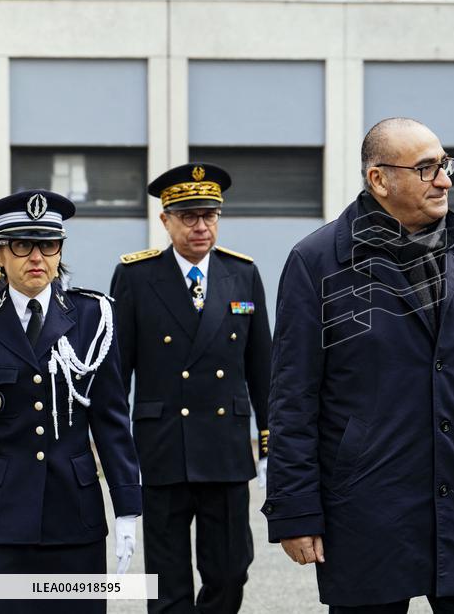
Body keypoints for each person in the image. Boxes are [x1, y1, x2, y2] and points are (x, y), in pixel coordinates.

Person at [263, 117, 454, 613]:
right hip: (368, 505)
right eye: (427, 168)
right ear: (379, 179)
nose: (445, 180)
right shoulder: (318, 261)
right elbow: (292, 397)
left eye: (445, 165)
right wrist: (294, 509)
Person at [110, 163, 272, 613]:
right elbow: (117, 374)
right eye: (188, 216)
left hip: (225, 450)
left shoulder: (242, 273)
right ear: (165, 220)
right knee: (167, 580)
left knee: (231, 571)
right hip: (164, 447)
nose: (201, 226)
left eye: (209, 215)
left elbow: (263, 369)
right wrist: (117, 451)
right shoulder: (136, 277)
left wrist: (270, 442)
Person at [0, 190, 141, 614]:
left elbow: (111, 420)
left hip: (75, 518)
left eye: (48, 245)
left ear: (59, 251)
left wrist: (127, 509)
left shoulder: (93, 317)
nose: (36, 257)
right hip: (3, 518)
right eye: (21, 245)